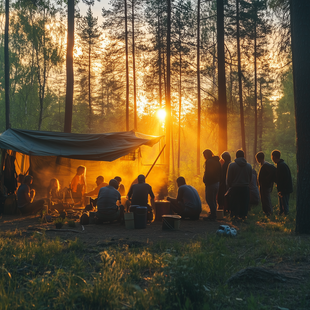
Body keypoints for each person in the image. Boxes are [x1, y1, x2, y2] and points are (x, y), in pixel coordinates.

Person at [226, 150, 252, 219]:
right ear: (244, 156)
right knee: (244, 202)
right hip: (245, 187)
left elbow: (229, 178)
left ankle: (234, 215)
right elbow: (250, 177)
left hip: (235, 187)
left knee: (234, 202)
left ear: (236, 156)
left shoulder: (232, 165)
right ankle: (243, 216)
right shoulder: (249, 166)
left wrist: (229, 186)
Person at [271, 150, 293, 215]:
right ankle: (281, 214)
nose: (272, 159)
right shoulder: (281, 165)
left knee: (284, 204)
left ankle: (286, 216)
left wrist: (282, 189)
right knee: (282, 203)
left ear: (274, 157)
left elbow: (285, 178)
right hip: (283, 189)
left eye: (272, 157)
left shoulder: (281, 166)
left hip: (284, 189)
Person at [202, 149, 221, 220]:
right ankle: (213, 213)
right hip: (217, 183)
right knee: (213, 199)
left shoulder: (209, 162)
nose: (204, 157)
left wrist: (205, 180)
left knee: (209, 199)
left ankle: (213, 215)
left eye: (204, 155)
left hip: (211, 183)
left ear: (207, 155)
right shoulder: (217, 161)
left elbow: (208, 173)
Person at [255, 151, 276, 215]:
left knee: (266, 199)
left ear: (259, 158)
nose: (257, 160)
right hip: (264, 185)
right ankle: (266, 212)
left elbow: (272, 172)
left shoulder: (265, 165)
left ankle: (269, 212)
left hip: (265, 185)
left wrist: (267, 179)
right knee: (264, 199)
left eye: (257, 159)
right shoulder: (264, 165)